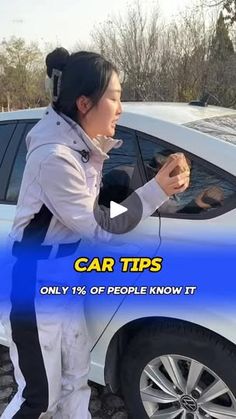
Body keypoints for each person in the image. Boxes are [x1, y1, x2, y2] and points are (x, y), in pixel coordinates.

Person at [1, 48, 190, 419]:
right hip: (34, 286)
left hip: (63, 277)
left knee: (75, 379)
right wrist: (157, 191)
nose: (121, 109)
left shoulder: (82, 149)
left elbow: (94, 209)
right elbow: (101, 225)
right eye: (115, 98)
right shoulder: (55, 157)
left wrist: (150, 185)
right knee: (39, 397)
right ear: (85, 103)